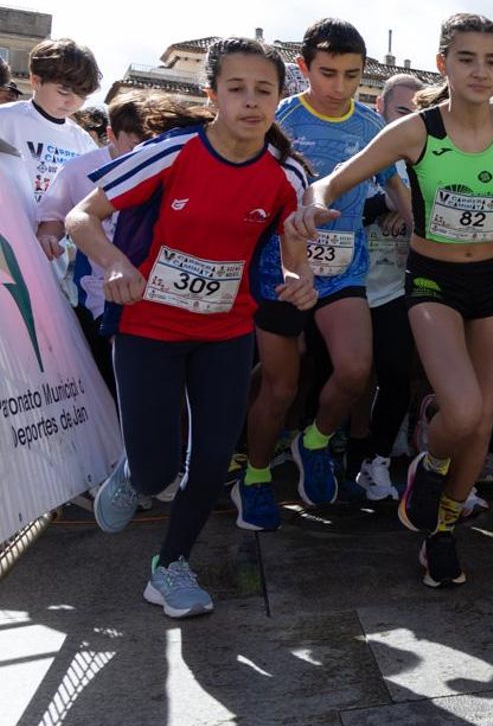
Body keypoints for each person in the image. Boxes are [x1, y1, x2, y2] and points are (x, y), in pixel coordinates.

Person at [289, 13, 493, 588]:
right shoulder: (415, 131)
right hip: (433, 283)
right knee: (465, 411)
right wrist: (316, 200)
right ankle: (431, 460)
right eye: (467, 59)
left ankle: (442, 530)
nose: (481, 71)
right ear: (443, 64)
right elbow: (337, 180)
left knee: (480, 422)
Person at [77, 37, 316, 618]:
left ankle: (171, 565)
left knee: (211, 459)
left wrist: (298, 278)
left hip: (225, 331)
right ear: (212, 96)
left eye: (265, 91)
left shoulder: (286, 176)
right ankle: (137, 469)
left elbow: (293, 247)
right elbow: (86, 215)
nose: (251, 102)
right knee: (159, 469)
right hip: (147, 327)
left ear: (281, 98)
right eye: (236, 89)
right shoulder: (174, 153)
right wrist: (115, 264)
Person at [235, 19, 404, 528]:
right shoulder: (278, 115)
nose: (339, 87)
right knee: (281, 386)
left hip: (343, 270)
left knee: (355, 370)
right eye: (327, 73)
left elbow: (396, 186)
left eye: (352, 76)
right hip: (278, 272)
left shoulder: (373, 127)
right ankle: (257, 475)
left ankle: (314, 441)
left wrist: (419, 233)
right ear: (303, 68)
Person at [37, 91, 209, 390]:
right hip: (103, 296)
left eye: (155, 143)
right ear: (110, 135)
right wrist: (49, 237)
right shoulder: (78, 170)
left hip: (168, 297)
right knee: (127, 385)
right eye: (136, 143)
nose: (147, 152)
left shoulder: (174, 167)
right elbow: (53, 219)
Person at [345, 73, 424, 500]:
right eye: (401, 112)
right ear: (381, 109)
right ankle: (337, 451)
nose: (410, 122)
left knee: (396, 375)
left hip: (395, 287)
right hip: (348, 284)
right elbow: (336, 205)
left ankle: (373, 461)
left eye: (418, 114)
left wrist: (408, 213)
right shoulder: (360, 152)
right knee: (346, 376)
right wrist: (382, 208)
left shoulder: (428, 161)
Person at [0, 38, 101, 221]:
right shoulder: (5, 119)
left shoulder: (83, 141)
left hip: (54, 242)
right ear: (36, 80)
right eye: (64, 92)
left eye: (82, 95)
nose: (73, 102)